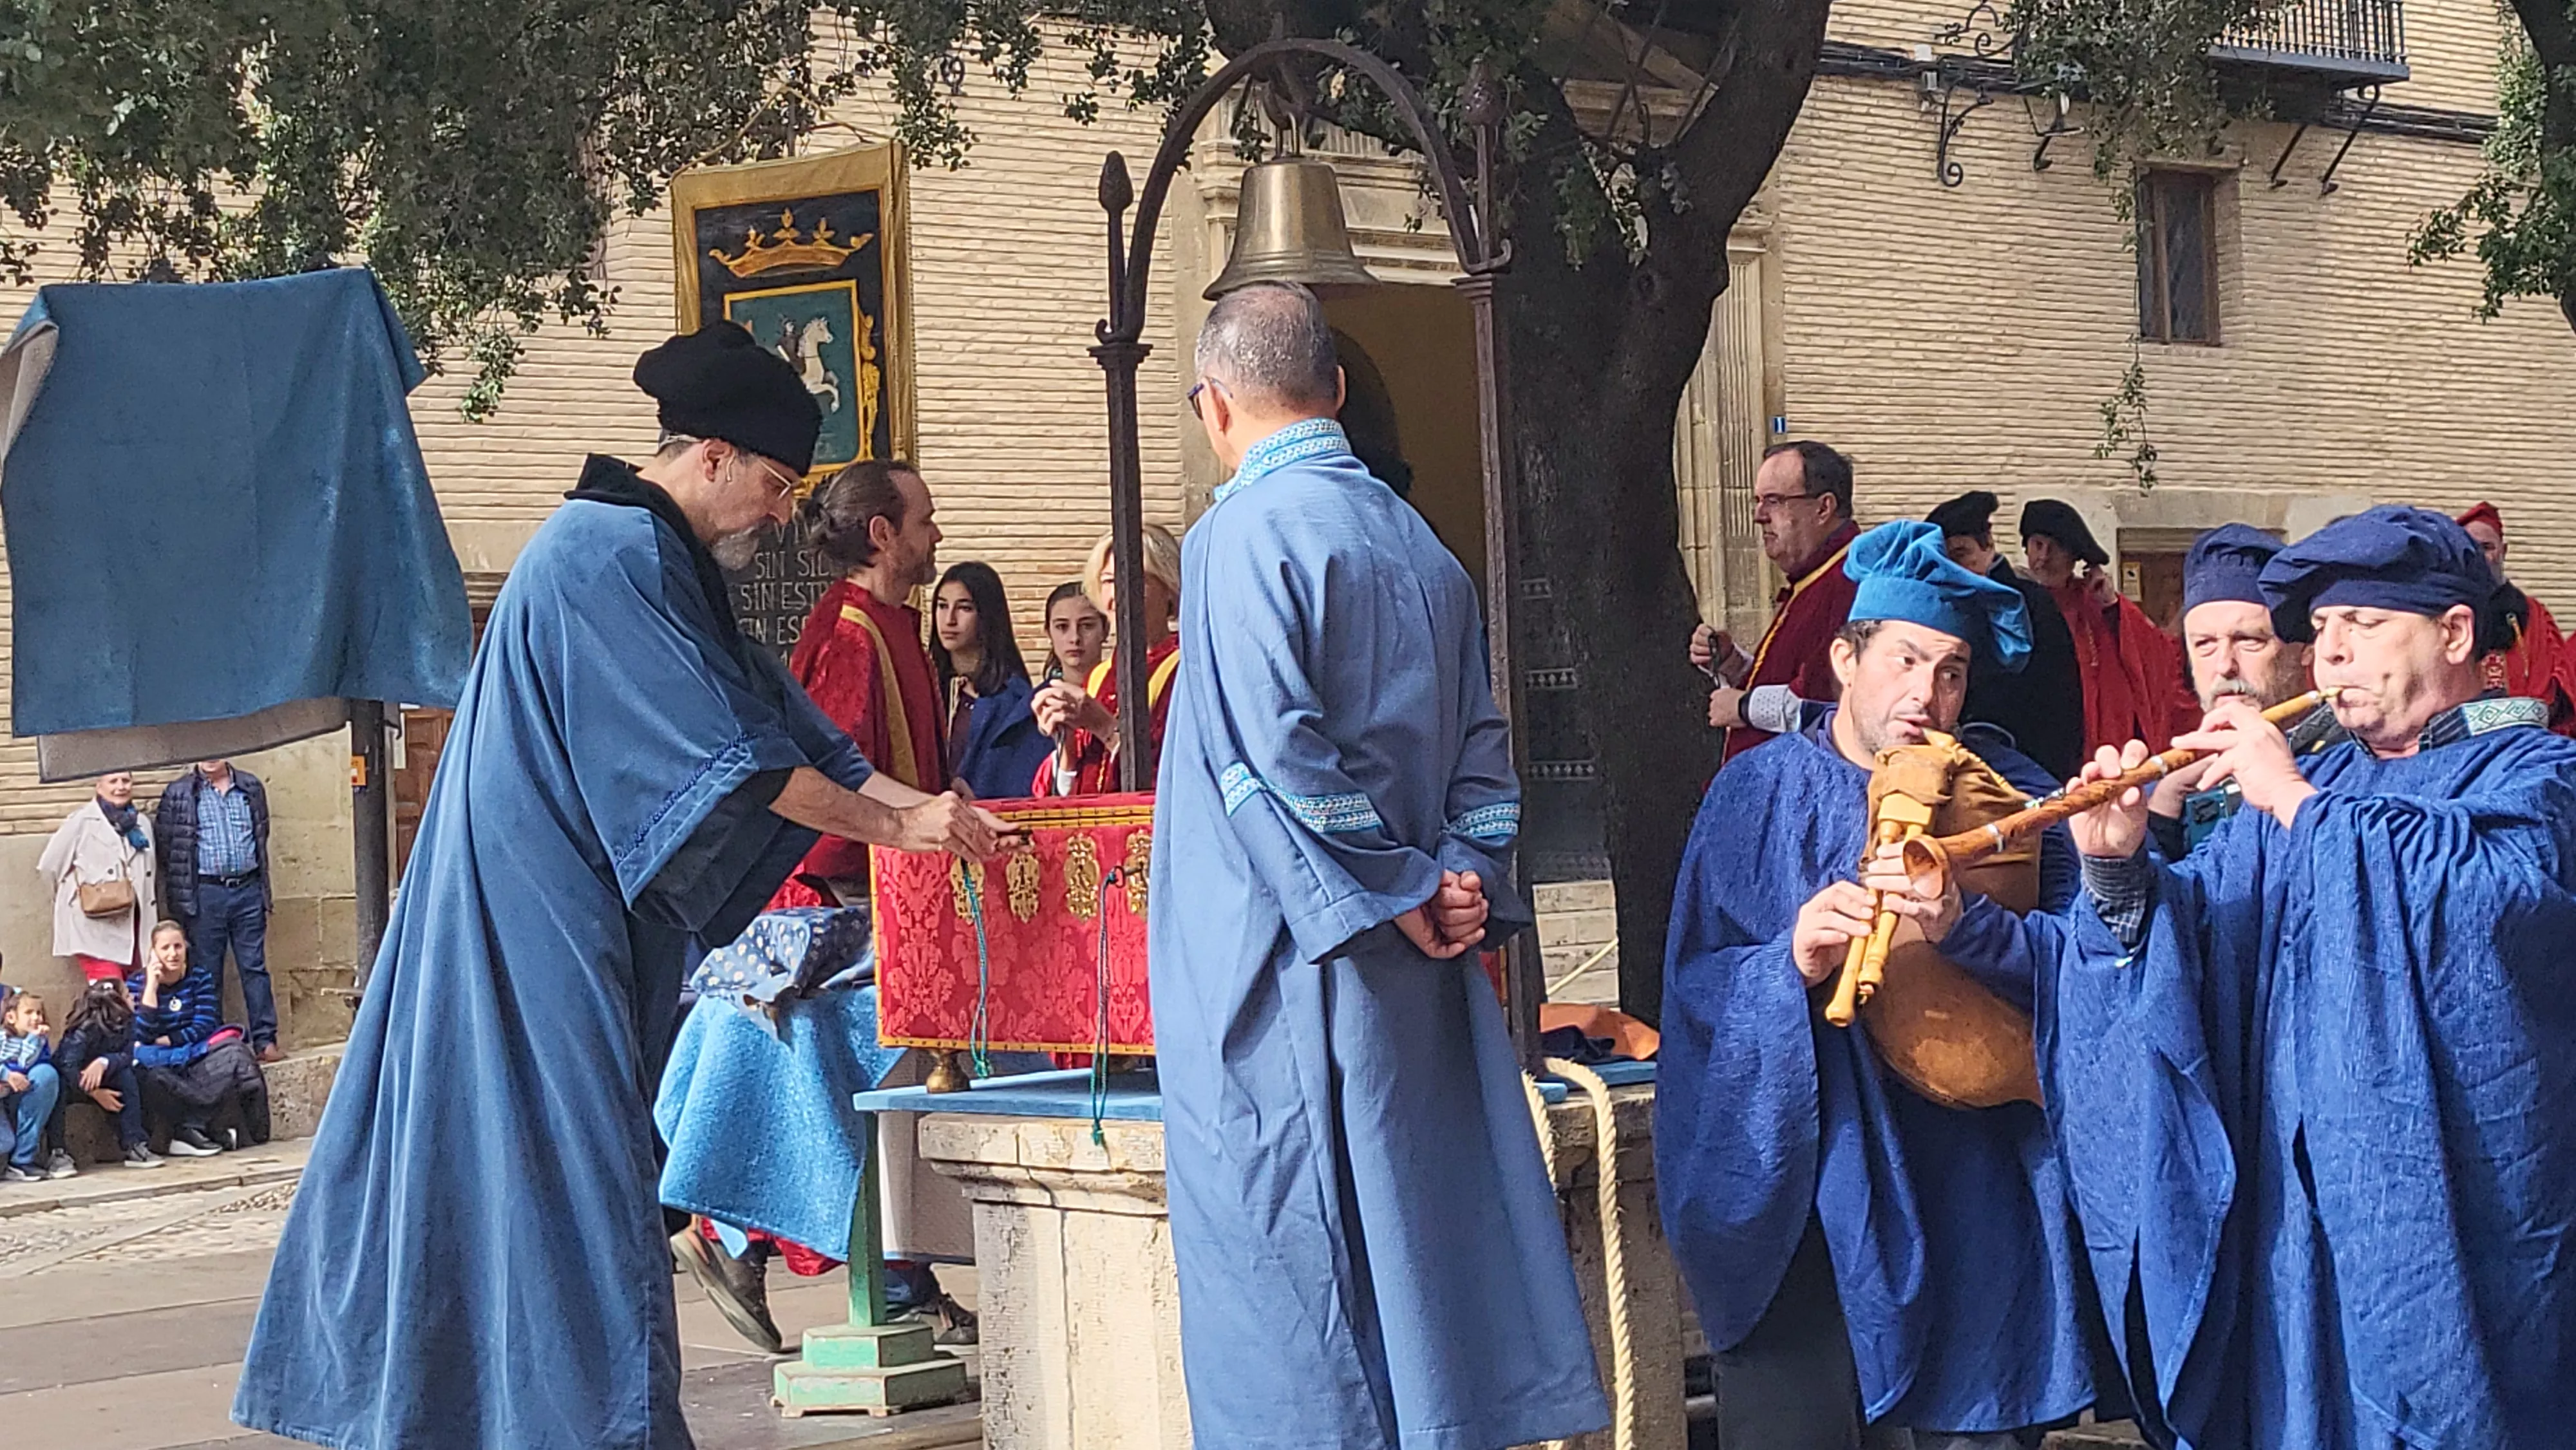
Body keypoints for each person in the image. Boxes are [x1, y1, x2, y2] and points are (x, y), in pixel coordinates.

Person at [234, 321, 1012, 1450]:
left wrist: (931, 823)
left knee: (539, 1190)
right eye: (776, 484)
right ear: (709, 457)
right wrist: (897, 822)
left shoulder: (662, 563)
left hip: (571, 926)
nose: (785, 512)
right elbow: (736, 766)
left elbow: (812, 747)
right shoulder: (607, 555)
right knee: (575, 1196)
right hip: (526, 931)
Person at [1864, 505, 2576, 1449]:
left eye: (2363, 627)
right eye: (2321, 632)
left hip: (2445, 1229)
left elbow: (2489, 900)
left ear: (2453, 632)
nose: (2331, 659)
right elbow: (2196, 937)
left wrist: (2289, 797)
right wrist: (2119, 862)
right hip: (2296, 1236)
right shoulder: (2330, 785)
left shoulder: (2533, 772)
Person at [1151, 279, 1609, 1448]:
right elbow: (1488, 758)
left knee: (1300, 1287)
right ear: (1339, 391)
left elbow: (1272, 759)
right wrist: (1456, 874)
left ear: (1213, 406)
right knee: (1418, 1260)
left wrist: (1399, 889)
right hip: (1421, 970)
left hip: (1290, 960)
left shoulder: (1234, 539)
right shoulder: (1425, 546)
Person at [1660, 520, 2105, 1449]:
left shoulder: (2013, 801)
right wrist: (1790, 964)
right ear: (1844, 658)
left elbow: (2087, 969)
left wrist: (1971, 931)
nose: (1925, 695)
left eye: (1950, 672)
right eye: (1904, 660)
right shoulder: (1757, 794)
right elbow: (1696, 986)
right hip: (1812, 1196)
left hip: (1978, 1198)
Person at [770, 458, 949, 909]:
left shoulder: (889, 621)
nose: (937, 536)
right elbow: (838, 780)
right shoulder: (849, 636)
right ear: (883, 534)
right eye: (926, 522)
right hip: (858, 893)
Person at [2145, 524, 2342, 858]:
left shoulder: (2350, 767)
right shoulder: (2165, 788)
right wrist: (2161, 814)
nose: (2225, 666)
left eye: (2249, 640)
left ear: (2305, 647)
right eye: (2204, 644)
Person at [1694, 441, 1862, 762]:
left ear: (1823, 508)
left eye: (1774, 501)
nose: (1759, 517)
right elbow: (1784, 679)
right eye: (1757, 502)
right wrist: (1732, 661)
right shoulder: (1813, 575)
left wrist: (1742, 708)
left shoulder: (1850, 579)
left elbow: (1827, 703)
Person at [1927, 489, 2087, 781]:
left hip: (2028, 759)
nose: (1954, 567)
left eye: (1962, 554)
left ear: (1987, 545)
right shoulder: (1940, 604)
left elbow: (2061, 697)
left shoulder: (2032, 602)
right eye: (1946, 558)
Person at [2018, 499, 2194, 756]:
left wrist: (2112, 608)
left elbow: (2158, 658)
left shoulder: (2095, 605)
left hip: (2099, 743)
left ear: (2074, 558)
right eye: (2038, 545)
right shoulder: (2013, 600)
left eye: (2055, 548)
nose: (2044, 558)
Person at [1028, 523, 1182, 796]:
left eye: (1137, 579)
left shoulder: (1187, 669)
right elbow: (1073, 791)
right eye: (1110, 581)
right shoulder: (1100, 676)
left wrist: (1105, 727)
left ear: (1169, 588)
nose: (1120, 593)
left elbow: (1179, 777)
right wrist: (1068, 750)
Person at [156, 758, 283, 1064]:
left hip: (247, 889)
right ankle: (213, 1043)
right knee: (207, 971)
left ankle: (265, 1040)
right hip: (205, 892)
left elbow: (260, 834)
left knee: (254, 967)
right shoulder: (180, 792)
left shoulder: (249, 787)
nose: (210, 756)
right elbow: (168, 845)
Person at [130, 920, 269, 1156]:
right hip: (162, 1063)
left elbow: (205, 1023)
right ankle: (193, 1128)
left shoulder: (200, 977)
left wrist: (172, 1039)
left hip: (194, 1054)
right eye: (165, 948)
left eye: (178, 946)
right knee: (150, 1075)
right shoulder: (136, 984)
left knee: (236, 1053)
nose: (173, 954)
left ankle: (231, 1129)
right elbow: (141, 1034)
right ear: (153, 952)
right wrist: (151, 987)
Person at [931, 561, 1051, 801]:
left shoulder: (1014, 703)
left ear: (987, 615)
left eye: (964, 608)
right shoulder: (927, 688)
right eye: (942, 606)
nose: (950, 620)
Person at [2454, 501, 2576, 730]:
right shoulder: (2442, 615)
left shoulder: (2533, 614)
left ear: (2504, 551)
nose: (2480, 557)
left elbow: (2552, 683)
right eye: (2471, 549)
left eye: (2487, 547)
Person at [39, 773, 158, 984]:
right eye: (113, 782)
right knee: (109, 993)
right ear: (99, 786)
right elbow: (50, 867)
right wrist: (68, 903)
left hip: (135, 924)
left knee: (137, 993)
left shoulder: (142, 824)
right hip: (93, 927)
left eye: (126, 781)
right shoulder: (81, 822)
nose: (121, 787)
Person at [51, 976, 159, 1171]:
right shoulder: (83, 1031)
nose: (132, 998)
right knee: (55, 1085)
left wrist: (104, 1062)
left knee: (127, 1075)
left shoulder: (127, 1024)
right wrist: (94, 1093)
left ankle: (134, 1143)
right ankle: (57, 1152)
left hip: (104, 1076)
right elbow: (68, 1066)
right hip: (74, 1081)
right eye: (127, 995)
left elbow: (127, 1055)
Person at [0, 990, 61, 1184]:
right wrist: (7, 1075)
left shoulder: (36, 1040)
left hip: (17, 1094)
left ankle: (22, 1161)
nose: (36, 1017)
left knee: (46, 1074)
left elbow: (25, 1063)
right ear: (11, 1017)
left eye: (39, 1013)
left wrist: (34, 1038)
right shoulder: (2, 1038)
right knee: (5, 1143)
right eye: (29, 1013)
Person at [1039, 579, 1106, 686]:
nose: (1075, 638)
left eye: (1086, 626)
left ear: (1105, 630)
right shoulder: (1035, 701)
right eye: (1062, 627)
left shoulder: (1130, 693)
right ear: (1048, 633)